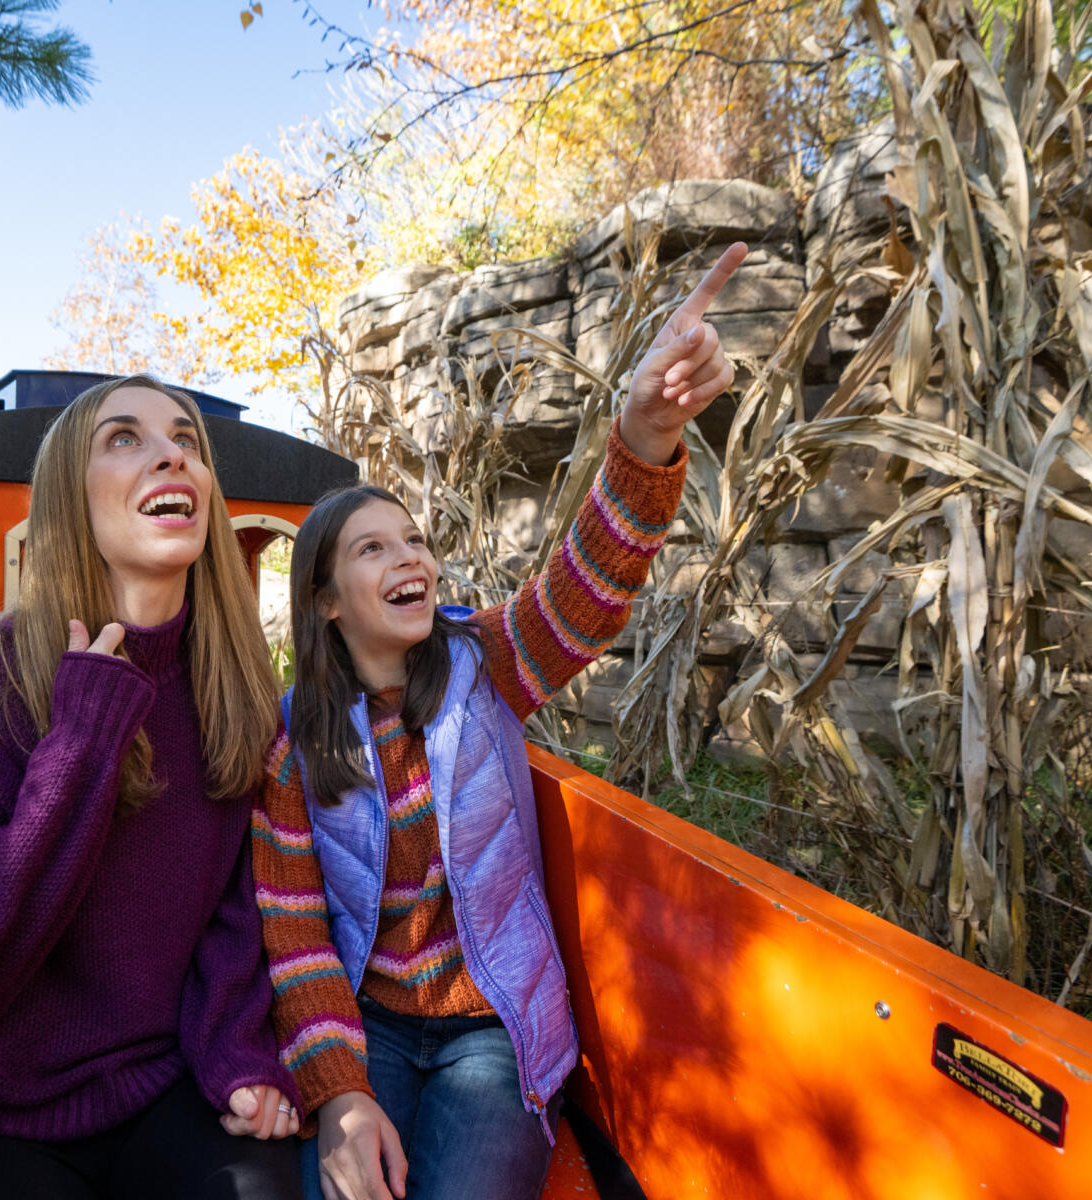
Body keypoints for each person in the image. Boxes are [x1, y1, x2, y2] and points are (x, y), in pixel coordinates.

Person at [254, 245, 748, 1200]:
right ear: (323, 600)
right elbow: (295, 933)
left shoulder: (486, 661)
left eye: (414, 542)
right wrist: (339, 1095)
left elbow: (589, 589)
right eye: (373, 549)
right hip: (367, 1026)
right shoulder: (294, 743)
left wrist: (642, 441)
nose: (413, 561)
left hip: (492, 1027)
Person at [0, 375, 303, 1200]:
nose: (172, 453)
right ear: (69, 499)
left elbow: (236, 911)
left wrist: (236, 1053)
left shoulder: (233, 691)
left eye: (187, 441)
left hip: (156, 1088)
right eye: (124, 439)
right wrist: (83, 734)